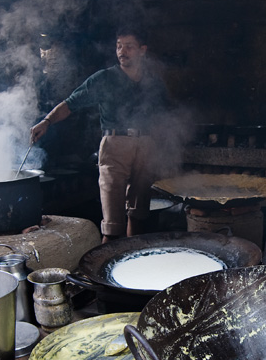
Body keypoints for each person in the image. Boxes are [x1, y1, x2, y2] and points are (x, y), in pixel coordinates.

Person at [30, 27, 172, 243]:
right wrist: (47, 121)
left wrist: (162, 145)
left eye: (129, 47)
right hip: (115, 145)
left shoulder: (152, 82)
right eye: (119, 46)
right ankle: (103, 268)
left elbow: (163, 115)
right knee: (113, 222)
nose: (122, 51)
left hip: (146, 145)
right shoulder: (104, 78)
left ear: (142, 50)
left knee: (139, 213)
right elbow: (71, 103)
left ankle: (132, 262)